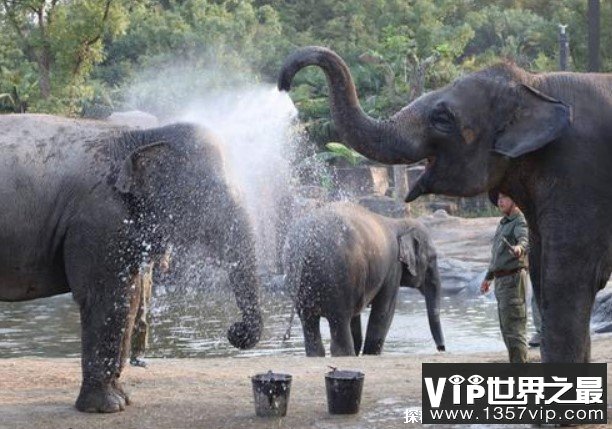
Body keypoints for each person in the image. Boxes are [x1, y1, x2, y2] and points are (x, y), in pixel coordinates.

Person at [481, 192, 529, 363]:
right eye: (499, 198)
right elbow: (497, 255)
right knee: (507, 329)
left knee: (515, 330)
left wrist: (519, 248)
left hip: (513, 280)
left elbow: (524, 239)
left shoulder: (519, 220)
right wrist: (488, 277)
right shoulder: (503, 223)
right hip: (501, 281)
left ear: (514, 199)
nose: (500, 201)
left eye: (505, 197)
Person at [130, 247, 172, 368]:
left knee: (141, 311)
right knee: (134, 312)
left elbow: (165, 238)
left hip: (146, 267)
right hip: (134, 264)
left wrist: (165, 258)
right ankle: (121, 354)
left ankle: (137, 354)